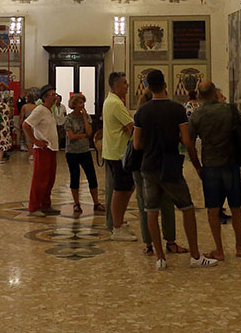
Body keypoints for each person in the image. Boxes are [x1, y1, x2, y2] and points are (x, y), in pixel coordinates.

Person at [133, 70, 218, 270]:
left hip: (149, 165)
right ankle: (195, 256)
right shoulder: (176, 109)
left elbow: (136, 144)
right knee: (187, 208)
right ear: (165, 85)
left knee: (151, 211)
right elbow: (187, 140)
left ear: (149, 87)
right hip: (170, 164)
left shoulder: (142, 112)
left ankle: (160, 258)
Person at [188, 80, 241, 260]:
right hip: (231, 164)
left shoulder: (198, 115)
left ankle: (219, 250)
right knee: (235, 207)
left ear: (200, 96)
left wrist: (197, 166)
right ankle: (239, 246)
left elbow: (189, 143)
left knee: (213, 209)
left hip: (210, 166)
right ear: (216, 92)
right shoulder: (229, 109)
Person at [134, 89, 182, 257]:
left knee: (145, 205)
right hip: (163, 163)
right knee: (167, 203)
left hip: (141, 165)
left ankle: (148, 244)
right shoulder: (167, 114)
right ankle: (170, 241)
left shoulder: (140, 115)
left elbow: (136, 143)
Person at [102, 72, 137, 241]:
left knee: (127, 188)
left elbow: (129, 123)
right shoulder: (115, 103)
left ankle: (119, 221)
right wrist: (130, 124)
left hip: (116, 151)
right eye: (124, 83)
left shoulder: (112, 101)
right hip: (119, 153)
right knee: (120, 190)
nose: (127, 85)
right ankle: (117, 228)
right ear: (116, 86)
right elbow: (134, 126)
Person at [23, 84, 60, 217]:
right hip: (42, 149)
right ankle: (34, 207)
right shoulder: (39, 110)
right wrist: (35, 140)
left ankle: (45, 204)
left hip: (51, 149)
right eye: (52, 95)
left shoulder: (50, 110)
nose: (55, 97)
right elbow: (26, 125)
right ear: (45, 97)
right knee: (40, 179)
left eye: (55, 94)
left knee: (50, 179)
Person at [64, 93, 104, 213]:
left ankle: (96, 202)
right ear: (74, 105)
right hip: (72, 152)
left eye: (83, 102)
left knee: (91, 176)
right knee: (74, 177)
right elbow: (71, 136)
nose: (83, 105)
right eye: (80, 103)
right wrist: (82, 135)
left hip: (85, 151)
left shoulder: (86, 117)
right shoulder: (68, 119)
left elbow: (89, 132)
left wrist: (85, 118)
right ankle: (76, 203)